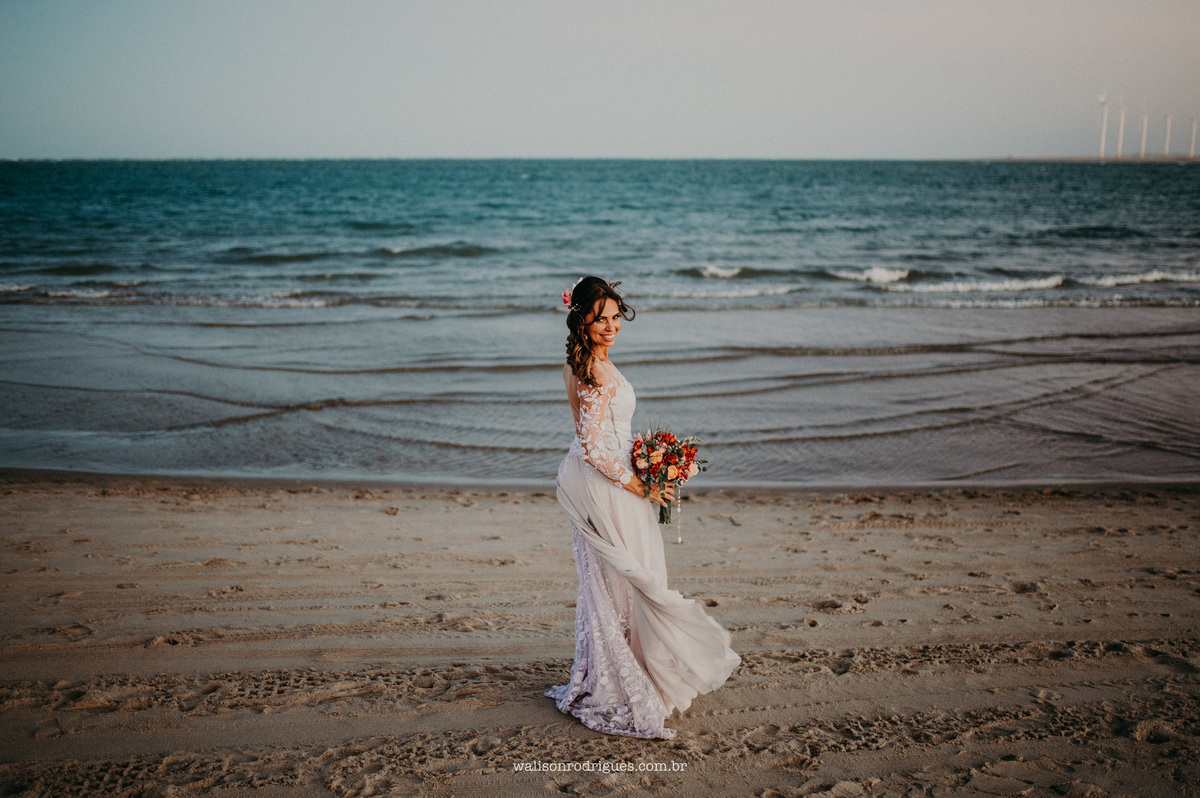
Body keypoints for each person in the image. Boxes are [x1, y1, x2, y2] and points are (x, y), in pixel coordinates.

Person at [546, 276, 741, 739]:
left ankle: (618, 667)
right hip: (608, 481)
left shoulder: (584, 361)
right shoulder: (591, 369)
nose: (610, 326)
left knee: (616, 578)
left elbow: (603, 436)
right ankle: (620, 677)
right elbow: (594, 446)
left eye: (615, 317)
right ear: (582, 321)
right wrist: (641, 485)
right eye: (599, 319)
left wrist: (653, 457)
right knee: (630, 576)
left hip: (606, 474)